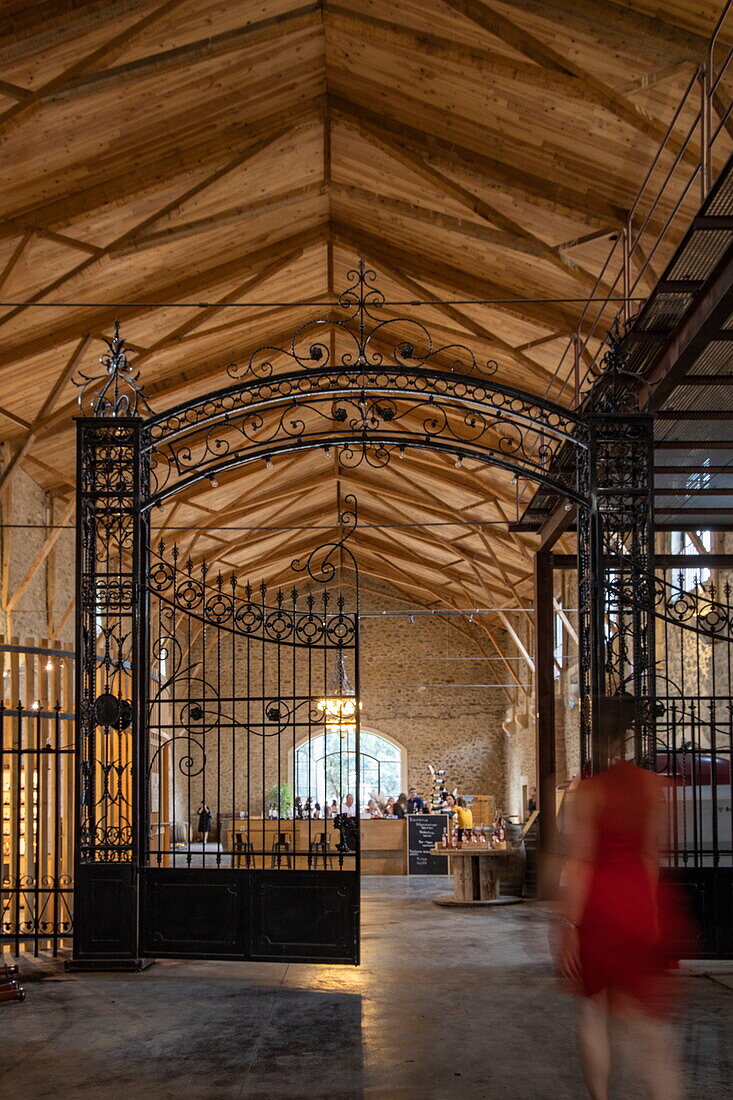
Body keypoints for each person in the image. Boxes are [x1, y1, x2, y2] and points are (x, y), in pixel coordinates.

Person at [557, 695, 688, 1100]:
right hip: (640, 903)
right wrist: (652, 915)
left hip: (599, 906)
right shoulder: (653, 786)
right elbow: (652, 855)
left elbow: (578, 864)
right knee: (651, 1028)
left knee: (593, 1013)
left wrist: (569, 927)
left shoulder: (588, 792)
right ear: (634, 735)